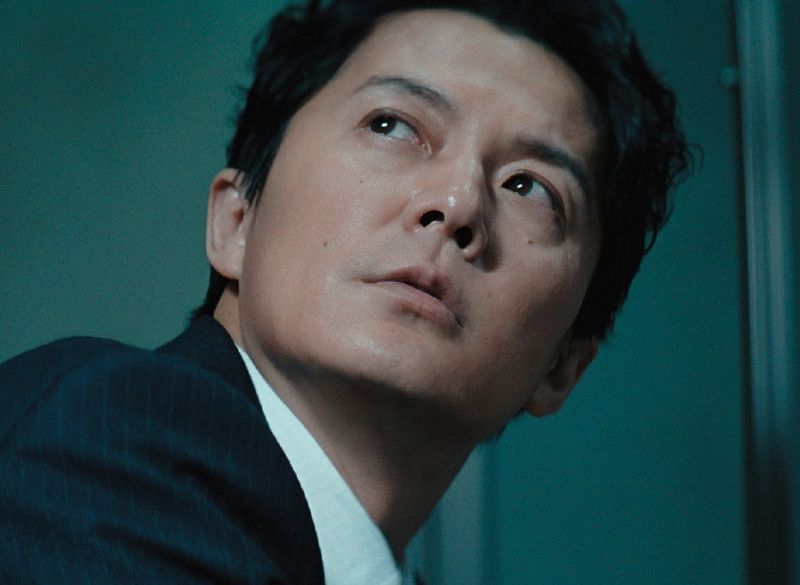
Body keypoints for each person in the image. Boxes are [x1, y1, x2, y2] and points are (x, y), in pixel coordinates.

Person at [0, 0, 690, 583]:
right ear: (237, 221)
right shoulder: (103, 435)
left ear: (565, 363)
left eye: (529, 187)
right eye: (392, 125)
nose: (456, 204)